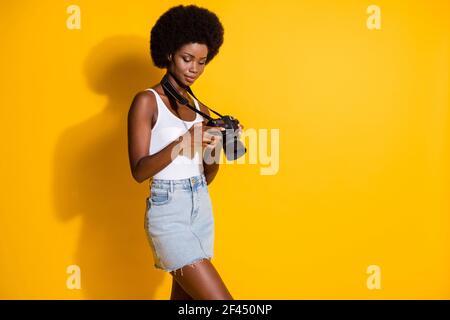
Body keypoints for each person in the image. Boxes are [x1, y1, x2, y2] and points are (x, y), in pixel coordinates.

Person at [127, 4, 243, 300]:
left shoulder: (201, 110)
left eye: (202, 62)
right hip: (169, 213)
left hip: (200, 209)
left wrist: (217, 146)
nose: (194, 69)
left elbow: (207, 176)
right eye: (186, 59)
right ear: (169, 54)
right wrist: (184, 142)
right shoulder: (147, 101)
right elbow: (139, 171)